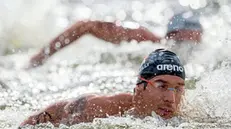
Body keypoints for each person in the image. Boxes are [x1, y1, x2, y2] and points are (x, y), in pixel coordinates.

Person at [19, 49, 186, 127]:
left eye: (178, 88)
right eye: (161, 86)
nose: (171, 99)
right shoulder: (100, 109)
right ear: (139, 88)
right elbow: (47, 115)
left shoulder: (190, 113)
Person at [28, 11, 202, 68]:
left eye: (197, 36)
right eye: (188, 34)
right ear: (173, 34)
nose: (194, 40)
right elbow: (85, 26)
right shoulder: (143, 39)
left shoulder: (204, 56)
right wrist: (41, 57)